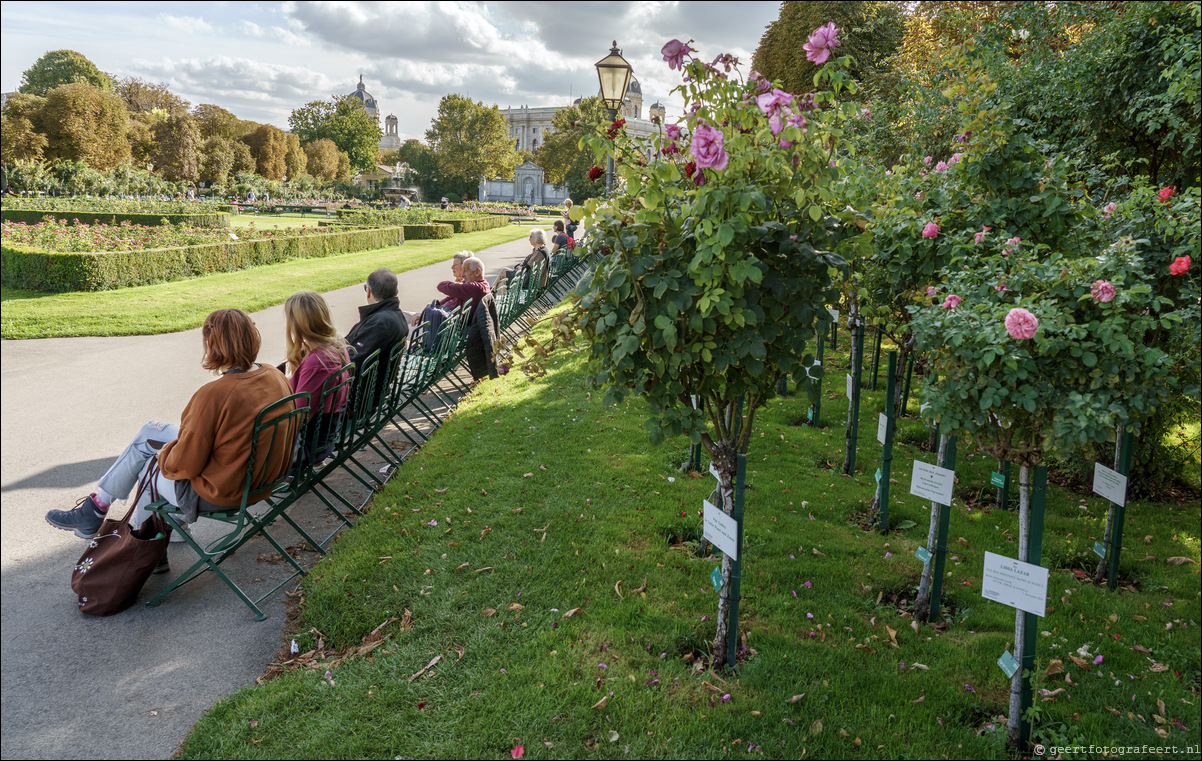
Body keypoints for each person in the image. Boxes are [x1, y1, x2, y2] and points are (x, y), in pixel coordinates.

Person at [45, 309, 296, 572]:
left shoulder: (214, 395)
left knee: (149, 467)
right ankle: (108, 511)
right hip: (262, 477)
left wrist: (164, 453)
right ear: (252, 337)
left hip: (226, 490)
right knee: (150, 433)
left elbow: (184, 465)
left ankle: (146, 550)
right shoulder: (274, 375)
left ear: (212, 344)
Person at [283, 292, 351, 465]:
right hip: (326, 438)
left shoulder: (317, 363)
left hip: (308, 447)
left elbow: (297, 420)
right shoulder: (337, 346)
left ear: (295, 325)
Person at [345, 268, 409, 408]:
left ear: (368, 291)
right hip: (375, 391)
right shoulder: (396, 315)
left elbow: (353, 362)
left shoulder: (379, 323)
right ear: (396, 292)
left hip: (360, 400)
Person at [435, 257, 490, 322]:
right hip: (443, 317)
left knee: (420, 326)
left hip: (447, 325)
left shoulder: (474, 288)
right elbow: (450, 297)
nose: (462, 275)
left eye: (465, 270)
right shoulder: (483, 285)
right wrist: (435, 307)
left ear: (477, 272)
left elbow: (441, 285)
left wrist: (457, 284)